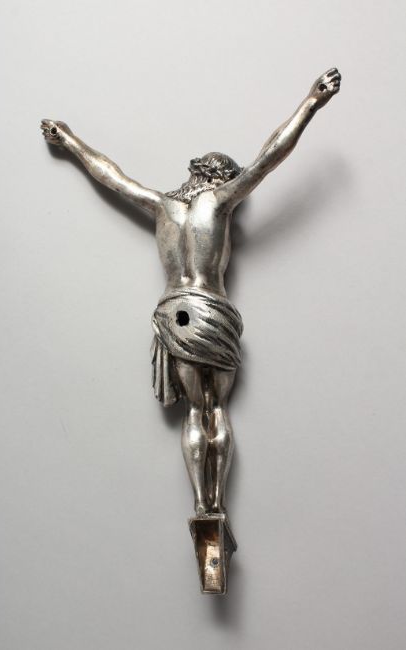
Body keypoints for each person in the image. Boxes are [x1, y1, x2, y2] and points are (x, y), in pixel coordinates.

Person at [41, 68, 341, 516]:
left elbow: (112, 176)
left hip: (174, 311)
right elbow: (269, 158)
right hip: (211, 310)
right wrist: (311, 102)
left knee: (194, 412)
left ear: (196, 174)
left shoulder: (162, 206)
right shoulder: (219, 202)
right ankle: (215, 507)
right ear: (221, 179)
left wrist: (70, 140)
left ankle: (202, 506)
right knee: (216, 409)